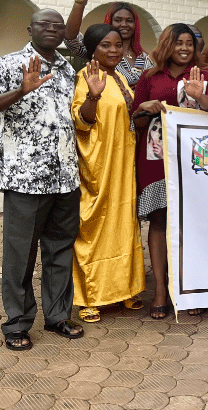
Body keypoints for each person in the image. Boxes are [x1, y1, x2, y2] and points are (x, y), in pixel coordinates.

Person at [0, 9, 84, 351]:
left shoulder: (67, 71)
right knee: (20, 254)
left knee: (60, 250)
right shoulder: (8, 64)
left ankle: (57, 315)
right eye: (43, 24)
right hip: (25, 179)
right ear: (29, 28)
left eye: (57, 26)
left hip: (65, 177)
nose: (51, 30)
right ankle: (17, 323)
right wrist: (20, 90)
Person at [132, 24, 208, 318]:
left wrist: (202, 98)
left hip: (196, 157)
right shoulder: (149, 76)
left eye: (189, 44)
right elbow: (135, 120)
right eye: (178, 43)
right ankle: (160, 289)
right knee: (159, 220)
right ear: (166, 46)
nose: (184, 48)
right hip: (155, 157)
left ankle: (189, 286)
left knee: (191, 223)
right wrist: (143, 107)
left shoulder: (205, 74)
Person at [70, 24, 145, 323]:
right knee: (94, 226)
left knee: (124, 225)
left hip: (124, 162)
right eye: (105, 45)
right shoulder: (87, 77)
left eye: (118, 45)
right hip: (99, 164)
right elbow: (82, 121)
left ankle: (124, 290)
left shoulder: (122, 77)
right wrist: (92, 96)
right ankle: (90, 296)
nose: (114, 50)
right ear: (92, 49)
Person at [65, 0, 150, 86]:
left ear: (136, 24)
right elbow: (70, 39)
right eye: (118, 20)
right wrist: (81, 0)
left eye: (129, 20)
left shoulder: (146, 59)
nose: (124, 24)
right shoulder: (99, 49)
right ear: (109, 22)